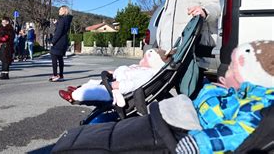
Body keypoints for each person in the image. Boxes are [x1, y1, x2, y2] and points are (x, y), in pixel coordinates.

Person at [52, 41, 274, 154]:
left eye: (233, 71)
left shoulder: (258, 107)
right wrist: (218, 89)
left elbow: (230, 136)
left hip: (180, 133)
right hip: (179, 116)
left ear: (250, 74)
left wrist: (192, 145)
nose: (225, 73)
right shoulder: (241, 95)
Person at [58, 48, 173, 106]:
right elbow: (127, 70)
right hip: (113, 81)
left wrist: (118, 85)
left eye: (144, 60)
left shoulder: (147, 74)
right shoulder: (141, 68)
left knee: (96, 91)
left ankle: (74, 95)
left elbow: (132, 84)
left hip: (116, 92)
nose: (141, 61)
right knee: (93, 82)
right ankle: (79, 89)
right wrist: (114, 72)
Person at [49, 6, 73, 82]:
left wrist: (53, 42)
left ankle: (55, 75)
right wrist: (57, 24)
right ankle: (61, 75)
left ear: (64, 11)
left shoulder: (62, 20)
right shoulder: (67, 19)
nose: (59, 11)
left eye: (60, 10)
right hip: (64, 41)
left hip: (59, 41)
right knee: (60, 58)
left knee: (54, 57)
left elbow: (58, 32)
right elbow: (62, 30)